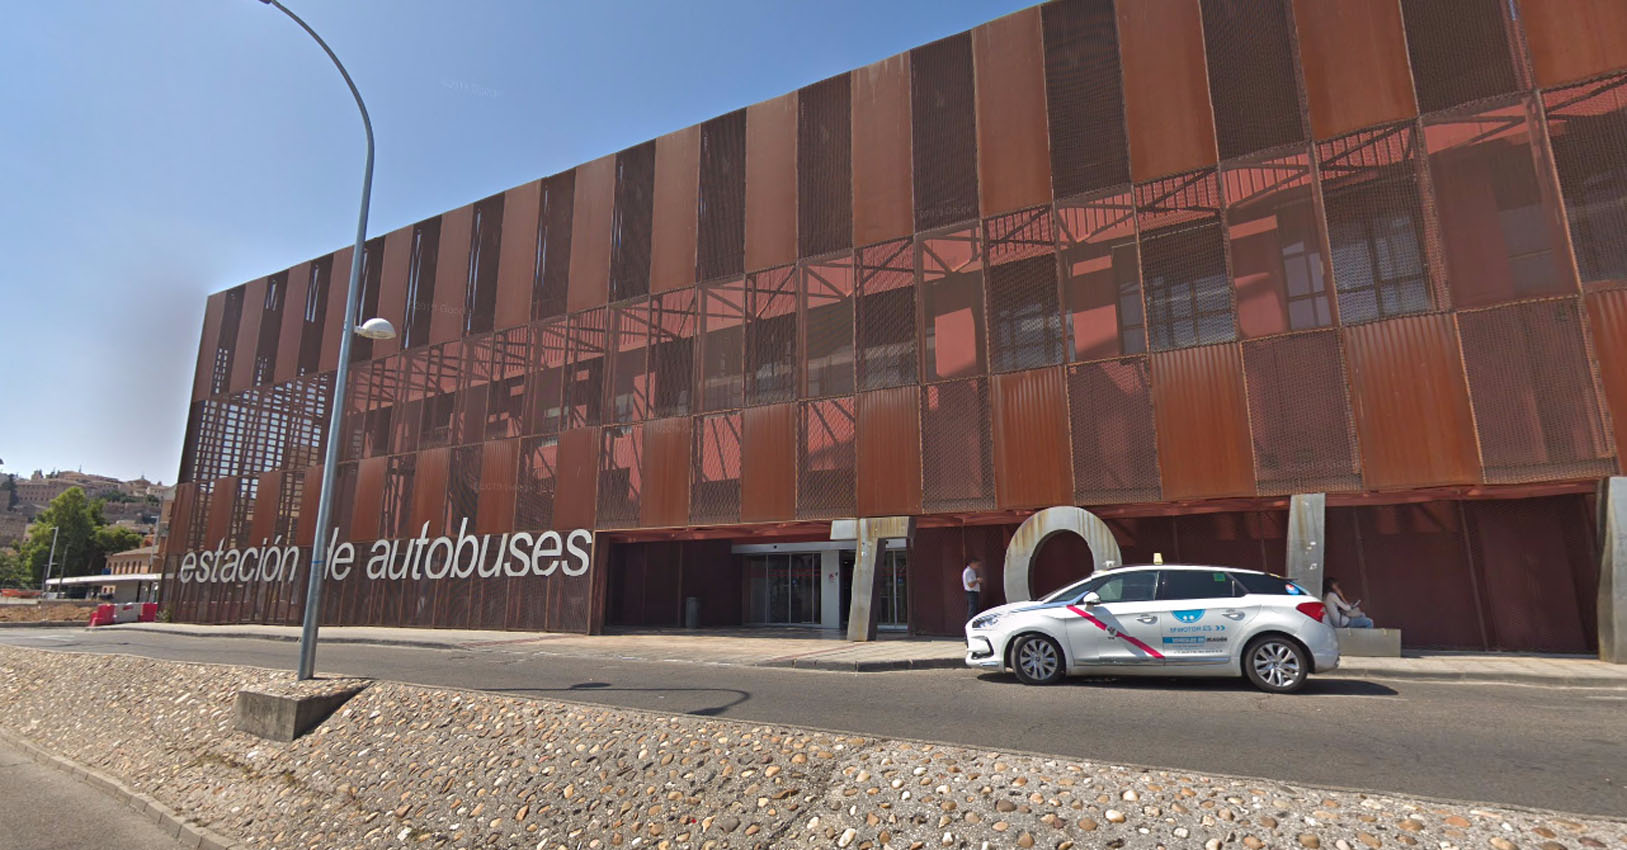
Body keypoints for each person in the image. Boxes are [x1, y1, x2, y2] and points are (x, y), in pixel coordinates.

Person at [962, 557, 984, 623]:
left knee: (974, 609)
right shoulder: (969, 572)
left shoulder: (971, 571)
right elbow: (970, 584)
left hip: (973, 592)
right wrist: (977, 580)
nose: (978, 567)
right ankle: (970, 624)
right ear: (972, 563)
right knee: (972, 610)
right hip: (971, 592)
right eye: (977, 565)